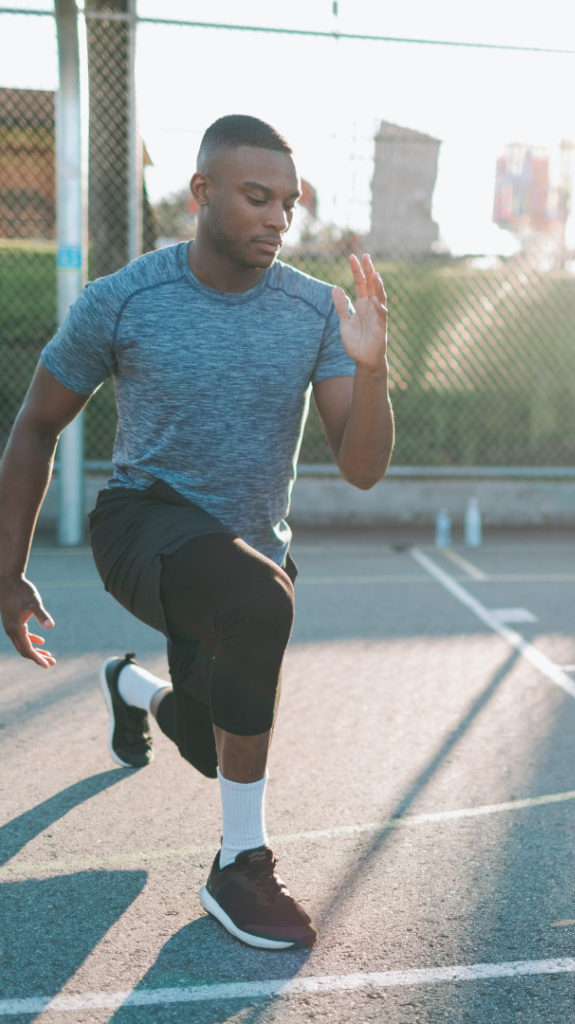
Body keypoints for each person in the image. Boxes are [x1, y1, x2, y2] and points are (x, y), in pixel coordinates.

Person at [0, 114, 394, 949]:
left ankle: (131, 689)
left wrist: (372, 367)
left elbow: (361, 468)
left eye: (288, 203)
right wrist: (7, 569)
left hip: (248, 550)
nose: (277, 219)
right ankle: (239, 866)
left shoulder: (316, 310)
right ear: (202, 195)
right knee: (262, 602)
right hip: (142, 523)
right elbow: (35, 426)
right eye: (257, 198)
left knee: (220, 747)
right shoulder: (124, 299)